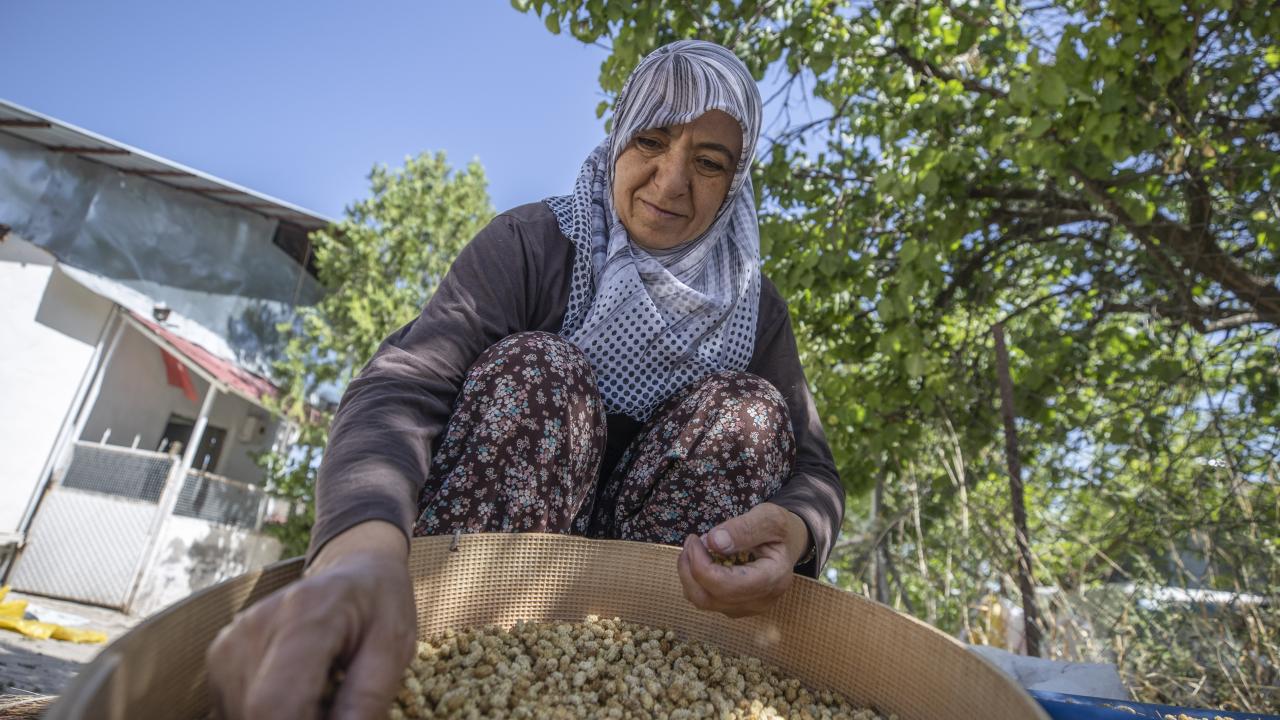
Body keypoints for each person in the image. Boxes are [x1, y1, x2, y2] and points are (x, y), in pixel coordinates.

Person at [208, 40, 843, 720]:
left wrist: (800, 530)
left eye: (709, 163)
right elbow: (401, 390)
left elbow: (814, 473)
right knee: (542, 371)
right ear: (619, 137)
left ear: (736, 180)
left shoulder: (753, 308)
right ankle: (450, 671)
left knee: (750, 412)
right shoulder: (533, 245)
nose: (670, 180)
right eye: (651, 141)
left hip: (660, 625)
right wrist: (359, 554)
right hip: (493, 594)